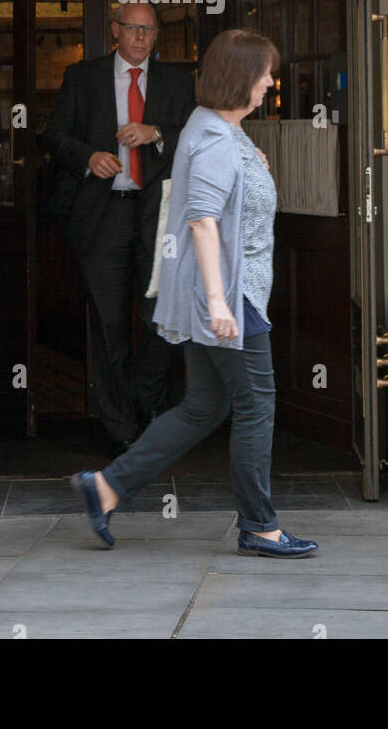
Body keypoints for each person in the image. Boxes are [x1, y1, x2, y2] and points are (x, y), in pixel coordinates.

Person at [70, 29, 318, 559]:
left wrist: (254, 160)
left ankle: (107, 487)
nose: (271, 84)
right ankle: (260, 525)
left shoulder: (219, 131)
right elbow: (202, 221)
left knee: (202, 407)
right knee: (256, 407)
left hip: (226, 295)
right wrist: (221, 304)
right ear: (241, 79)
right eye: (265, 74)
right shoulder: (211, 139)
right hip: (231, 297)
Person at [42, 1, 197, 455]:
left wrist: (157, 133)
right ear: (115, 30)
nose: (142, 38)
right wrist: (88, 158)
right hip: (103, 212)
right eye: (133, 29)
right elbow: (52, 136)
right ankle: (118, 425)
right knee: (108, 323)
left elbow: (196, 135)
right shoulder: (82, 77)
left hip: (158, 214)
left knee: (159, 319)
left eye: (149, 31)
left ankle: (145, 405)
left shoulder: (176, 81)